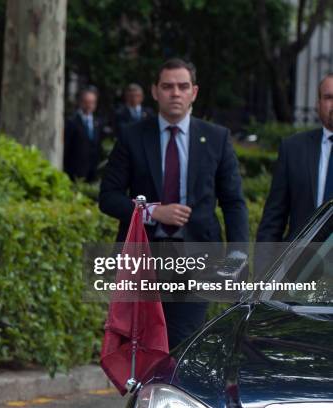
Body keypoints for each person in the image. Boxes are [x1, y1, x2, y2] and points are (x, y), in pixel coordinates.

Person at [99, 58, 248, 349]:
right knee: (143, 348)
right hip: (144, 261)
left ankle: (174, 395)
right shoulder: (132, 136)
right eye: (168, 86)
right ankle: (147, 396)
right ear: (155, 91)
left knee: (183, 344)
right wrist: (153, 212)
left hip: (197, 260)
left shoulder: (216, 138)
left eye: (182, 86)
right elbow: (108, 197)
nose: (175, 93)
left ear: (194, 92)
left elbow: (233, 203)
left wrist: (237, 257)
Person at [257, 73, 333, 243]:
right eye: (329, 97)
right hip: (299, 263)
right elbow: (273, 218)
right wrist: (265, 267)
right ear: (318, 104)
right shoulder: (293, 149)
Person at [63, 87, 103, 182]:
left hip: (92, 170)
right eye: (86, 102)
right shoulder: (72, 121)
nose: (89, 105)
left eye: (92, 102)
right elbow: (67, 146)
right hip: (75, 170)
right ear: (81, 102)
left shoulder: (98, 122)